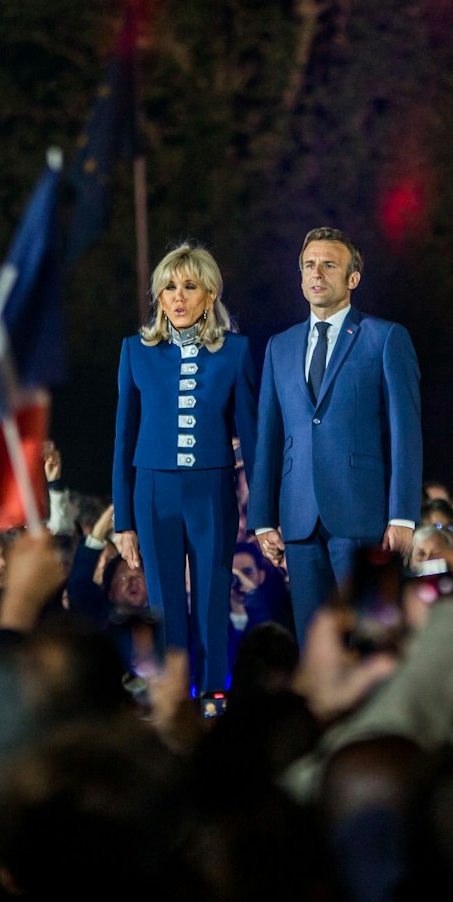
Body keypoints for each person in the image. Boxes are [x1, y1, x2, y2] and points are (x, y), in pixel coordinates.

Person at [249, 226, 422, 642]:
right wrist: (262, 518)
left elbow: (405, 432)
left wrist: (402, 516)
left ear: (353, 277)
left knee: (364, 637)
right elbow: (268, 437)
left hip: (361, 514)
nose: (317, 273)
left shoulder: (385, 338)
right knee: (313, 640)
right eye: (309, 265)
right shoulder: (279, 347)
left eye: (329, 265)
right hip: (298, 518)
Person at [111, 241, 258, 694]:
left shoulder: (235, 351)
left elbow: (252, 439)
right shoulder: (135, 351)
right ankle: (172, 699)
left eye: (189, 287)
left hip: (212, 492)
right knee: (165, 606)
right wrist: (123, 521)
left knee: (212, 604)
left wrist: (265, 514)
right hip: (153, 493)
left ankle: (213, 698)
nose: (177, 297)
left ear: (209, 295)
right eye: (169, 287)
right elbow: (123, 440)